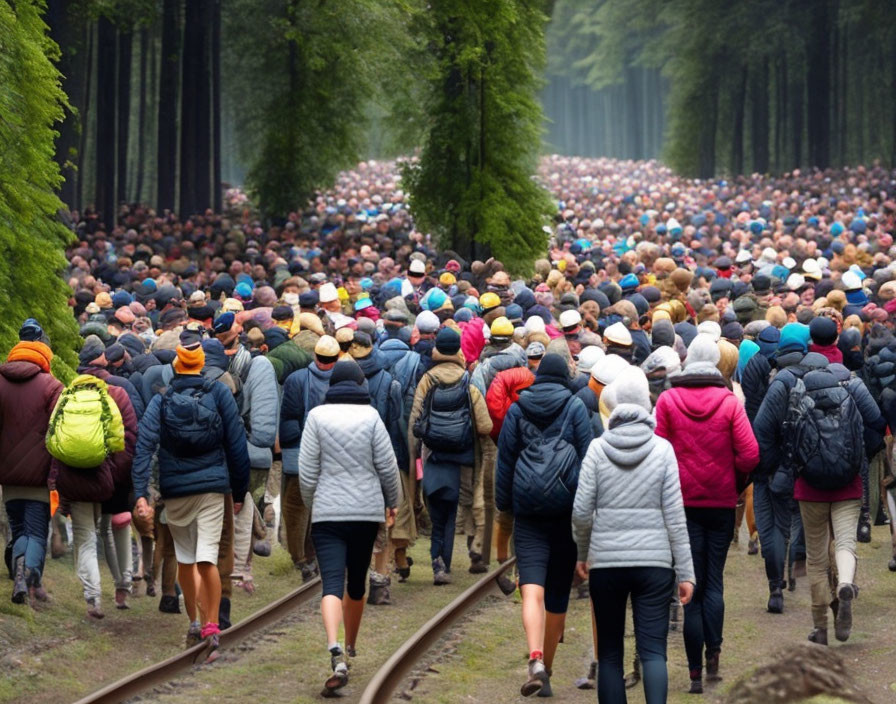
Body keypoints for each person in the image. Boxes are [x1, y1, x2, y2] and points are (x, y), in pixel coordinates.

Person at [572, 366, 695, 704]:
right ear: (646, 404)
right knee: (654, 651)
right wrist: (685, 572)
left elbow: (582, 511)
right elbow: (675, 516)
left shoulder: (597, 450)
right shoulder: (663, 450)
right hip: (654, 564)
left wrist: (583, 553)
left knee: (610, 654)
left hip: (606, 563)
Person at [132, 330, 251, 657]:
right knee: (207, 556)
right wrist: (239, 490)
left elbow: (144, 447)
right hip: (213, 488)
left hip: (176, 489)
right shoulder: (220, 394)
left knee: (185, 557)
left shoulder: (162, 399)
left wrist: (140, 492)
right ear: (200, 364)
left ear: (175, 366)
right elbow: (237, 446)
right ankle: (213, 626)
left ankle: (194, 621)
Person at [654, 334, 759, 692]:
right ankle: (714, 653)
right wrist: (733, 480)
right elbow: (749, 454)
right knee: (714, 580)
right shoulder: (729, 403)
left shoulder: (668, 400)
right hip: (718, 503)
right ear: (715, 363)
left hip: (680, 504)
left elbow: (657, 449)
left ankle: (695, 673)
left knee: (690, 583)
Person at [298, 360, 400, 695]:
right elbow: (387, 465)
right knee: (356, 583)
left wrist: (314, 501)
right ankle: (352, 644)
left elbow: (307, 470)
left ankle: (334, 648)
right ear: (360, 385)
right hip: (365, 512)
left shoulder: (316, 417)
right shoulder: (371, 417)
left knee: (330, 582)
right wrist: (392, 501)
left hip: (328, 513)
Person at [496, 353, 592, 697]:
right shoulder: (576, 407)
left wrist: (505, 505)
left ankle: (534, 657)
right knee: (557, 595)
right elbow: (587, 456)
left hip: (529, 511)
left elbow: (505, 460)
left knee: (531, 587)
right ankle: (547, 667)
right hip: (566, 511)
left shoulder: (518, 410)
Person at [408, 328, 493, 583]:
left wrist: (414, 457)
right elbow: (485, 426)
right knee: (454, 513)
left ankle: (438, 563)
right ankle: (453, 559)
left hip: (434, 456)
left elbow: (415, 421)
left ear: (436, 348)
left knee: (438, 514)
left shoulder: (427, 379)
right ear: (458, 350)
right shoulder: (469, 382)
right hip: (463, 460)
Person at [0, 333, 63, 605]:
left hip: (8, 476)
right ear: (44, 356)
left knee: (18, 531)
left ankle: (20, 573)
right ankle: (25, 573)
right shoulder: (52, 386)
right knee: (36, 532)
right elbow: (60, 432)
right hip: (39, 476)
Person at [279, 335, 339, 581]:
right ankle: (315, 554)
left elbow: (288, 418)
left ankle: (301, 557)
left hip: (300, 453)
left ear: (315, 355)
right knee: (323, 507)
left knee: (296, 507)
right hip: (332, 455)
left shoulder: (296, 379)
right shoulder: (341, 380)